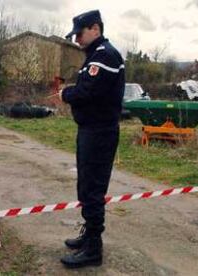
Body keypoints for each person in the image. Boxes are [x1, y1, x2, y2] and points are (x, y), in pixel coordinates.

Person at [58, 10, 125, 268]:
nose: (76, 40)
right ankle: (89, 237)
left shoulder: (104, 55)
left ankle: (93, 250)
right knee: (85, 187)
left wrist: (66, 93)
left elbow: (87, 91)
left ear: (95, 29)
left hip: (99, 132)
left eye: (80, 33)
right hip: (91, 130)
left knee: (93, 189)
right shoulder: (95, 56)